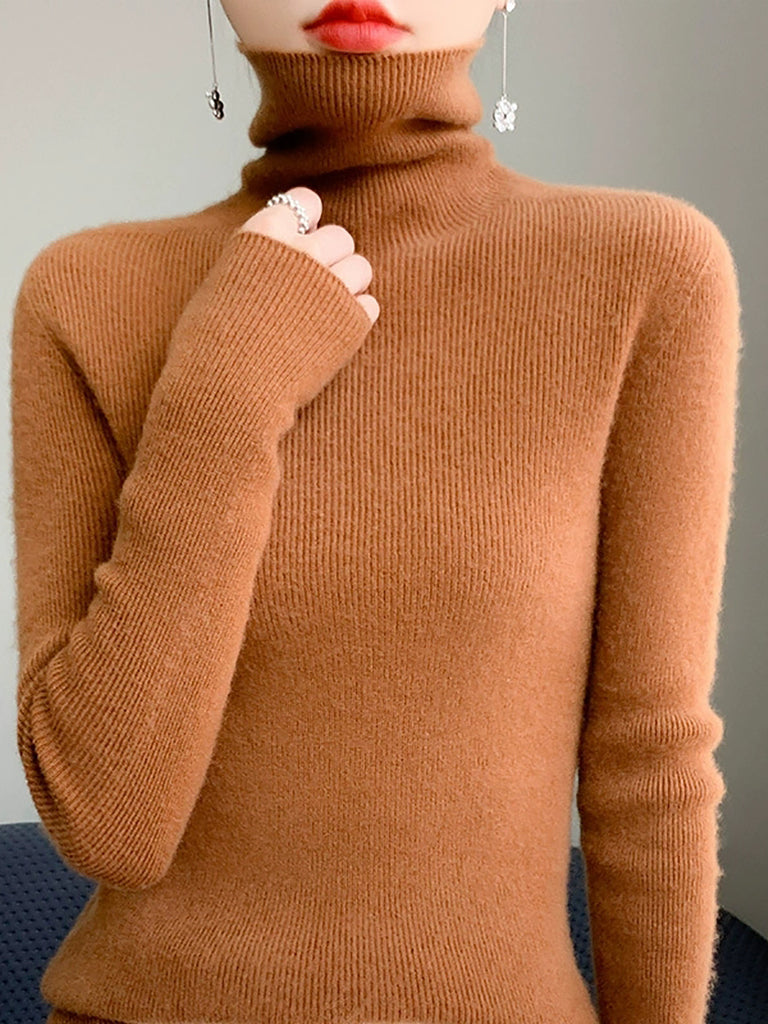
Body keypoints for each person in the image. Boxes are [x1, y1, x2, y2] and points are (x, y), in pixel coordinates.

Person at [10, 2, 743, 1024]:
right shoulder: (81, 293)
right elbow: (108, 821)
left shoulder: (646, 268)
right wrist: (221, 399)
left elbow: (648, 759)